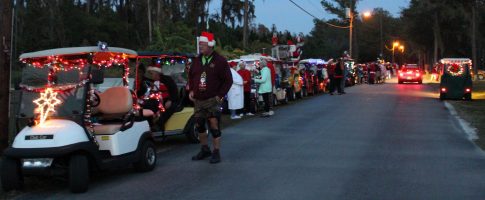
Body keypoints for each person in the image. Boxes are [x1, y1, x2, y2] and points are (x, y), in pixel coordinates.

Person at [189, 32, 232, 164]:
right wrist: (191, 89)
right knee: (199, 124)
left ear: (210, 45)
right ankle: (205, 149)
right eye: (200, 44)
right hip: (198, 100)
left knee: (214, 125)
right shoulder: (196, 61)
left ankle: (216, 151)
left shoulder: (220, 61)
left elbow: (228, 80)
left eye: (203, 44)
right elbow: (191, 76)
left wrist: (220, 95)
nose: (200, 46)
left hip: (212, 99)